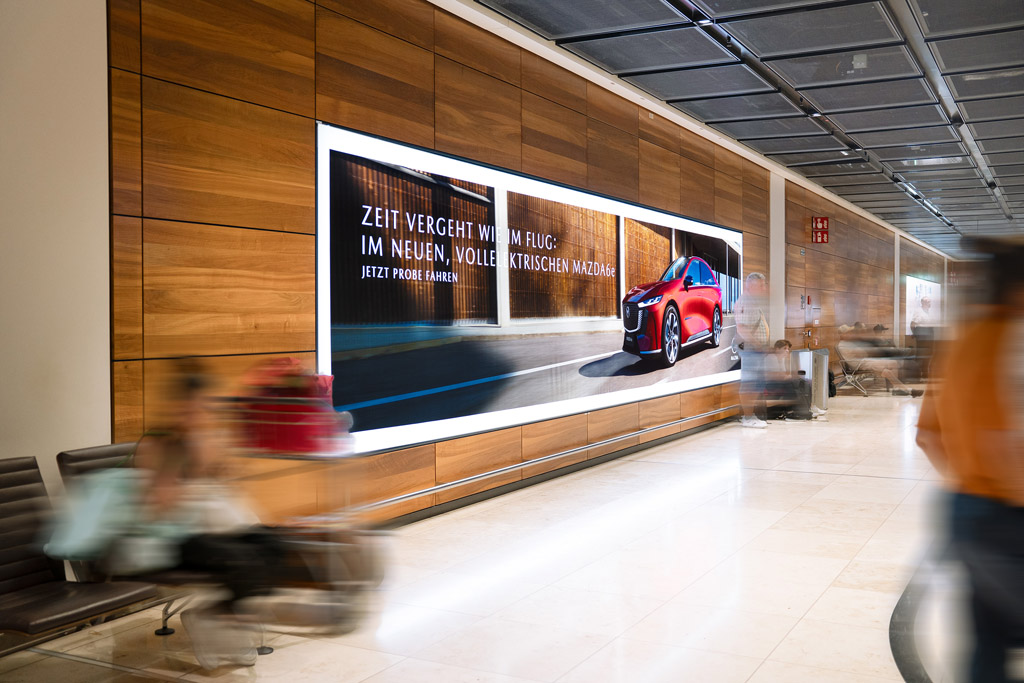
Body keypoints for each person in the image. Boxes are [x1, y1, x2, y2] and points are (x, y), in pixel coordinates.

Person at [916, 237, 1024, 682]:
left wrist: (969, 480)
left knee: (987, 644)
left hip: (967, 510)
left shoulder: (962, 342)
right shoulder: (1015, 340)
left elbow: (927, 435)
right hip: (1009, 519)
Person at [837, 323, 922, 397]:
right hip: (861, 364)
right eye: (849, 333)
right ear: (843, 335)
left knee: (894, 363)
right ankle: (908, 390)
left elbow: (863, 352)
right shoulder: (842, 345)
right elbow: (861, 352)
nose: (851, 334)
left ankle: (898, 388)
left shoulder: (849, 343)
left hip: (865, 361)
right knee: (887, 371)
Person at [735, 272, 770, 428]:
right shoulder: (746, 302)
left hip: (756, 349)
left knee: (756, 383)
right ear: (752, 286)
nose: (764, 287)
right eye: (762, 285)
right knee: (750, 384)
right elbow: (742, 329)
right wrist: (757, 344)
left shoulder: (753, 302)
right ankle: (748, 417)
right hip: (751, 348)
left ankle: (751, 415)